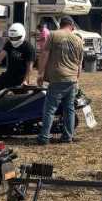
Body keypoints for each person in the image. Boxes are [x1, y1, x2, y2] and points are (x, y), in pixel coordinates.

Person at [37, 15, 83, 145]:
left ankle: (44, 137)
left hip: (57, 77)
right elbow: (80, 63)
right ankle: (68, 136)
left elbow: (45, 54)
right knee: (69, 109)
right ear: (72, 26)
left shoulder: (53, 35)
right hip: (72, 78)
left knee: (50, 109)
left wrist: (40, 74)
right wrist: (76, 79)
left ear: (60, 25)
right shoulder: (78, 40)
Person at [0, 22, 35, 91]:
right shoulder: (9, 43)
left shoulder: (28, 48)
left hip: (20, 79)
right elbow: (1, 55)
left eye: (16, 38)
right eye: (12, 38)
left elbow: (29, 67)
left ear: (22, 35)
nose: (14, 40)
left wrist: (25, 80)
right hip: (8, 75)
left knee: (20, 97)